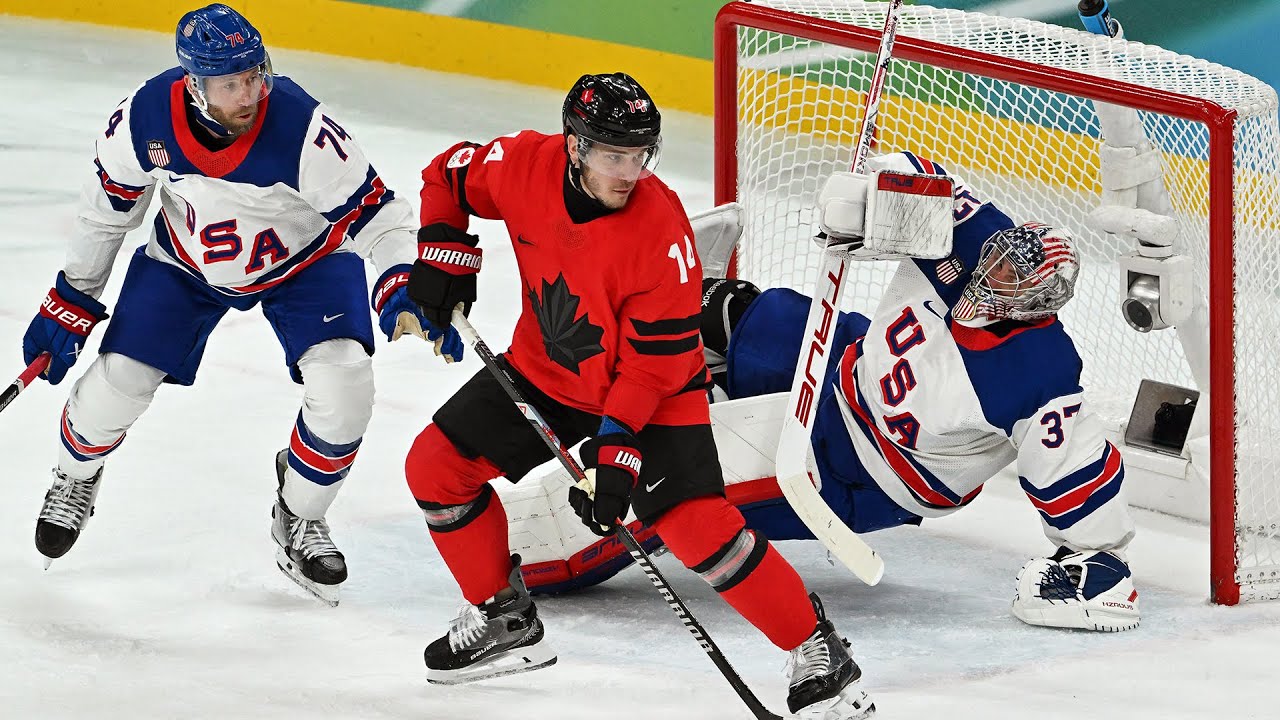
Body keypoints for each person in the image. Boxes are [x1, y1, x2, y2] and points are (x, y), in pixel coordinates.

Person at [502, 151, 1141, 634]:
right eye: (997, 261)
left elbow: (1078, 472)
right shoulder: (973, 238)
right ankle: (670, 357)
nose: (989, 275)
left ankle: (530, 550)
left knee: (670, 490)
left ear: (1033, 304)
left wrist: (1100, 562)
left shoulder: (1040, 377)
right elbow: (912, 174)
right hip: (843, 362)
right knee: (730, 313)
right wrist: (869, 200)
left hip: (860, 471)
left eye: (1007, 280)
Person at [402, 72, 874, 719]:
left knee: (697, 528)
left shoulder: (661, 230)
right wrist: (443, 253)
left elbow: (654, 366)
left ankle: (817, 649)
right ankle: (503, 617)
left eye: (639, 155)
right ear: (574, 145)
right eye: (613, 155)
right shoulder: (521, 165)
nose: (629, 172)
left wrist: (617, 448)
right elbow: (448, 174)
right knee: (436, 467)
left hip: (657, 388)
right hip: (548, 366)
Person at [21, 4, 446, 606]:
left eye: (254, 75)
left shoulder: (303, 129)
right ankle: (74, 476)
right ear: (195, 85)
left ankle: (300, 514)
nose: (249, 94)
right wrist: (73, 297)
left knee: (345, 384)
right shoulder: (143, 119)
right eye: (231, 84)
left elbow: (381, 215)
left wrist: (404, 278)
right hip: (186, 262)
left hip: (307, 262)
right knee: (117, 384)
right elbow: (106, 213)